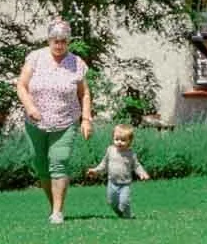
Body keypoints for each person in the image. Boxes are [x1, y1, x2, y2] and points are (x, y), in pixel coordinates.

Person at [16, 19, 93, 223]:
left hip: (65, 122)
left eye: (63, 41)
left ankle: (58, 211)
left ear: (68, 42)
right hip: (36, 123)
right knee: (41, 166)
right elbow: (21, 86)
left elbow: (84, 93)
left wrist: (86, 119)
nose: (59, 45)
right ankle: (53, 207)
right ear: (49, 40)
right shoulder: (35, 58)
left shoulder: (76, 63)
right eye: (55, 41)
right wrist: (30, 107)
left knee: (58, 163)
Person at [87, 123, 149, 218]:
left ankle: (128, 215)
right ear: (113, 138)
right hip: (112, 183)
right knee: (111, 202)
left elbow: (137, 166)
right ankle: (120, 214)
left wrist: (142, 173)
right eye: (116, 139)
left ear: (130, 141)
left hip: (125, 184)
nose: (119, 142)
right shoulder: (110, 150)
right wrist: (95, 170)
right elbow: (104, 163)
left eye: (123, 140)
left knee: (124, 202)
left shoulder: (130, 154)